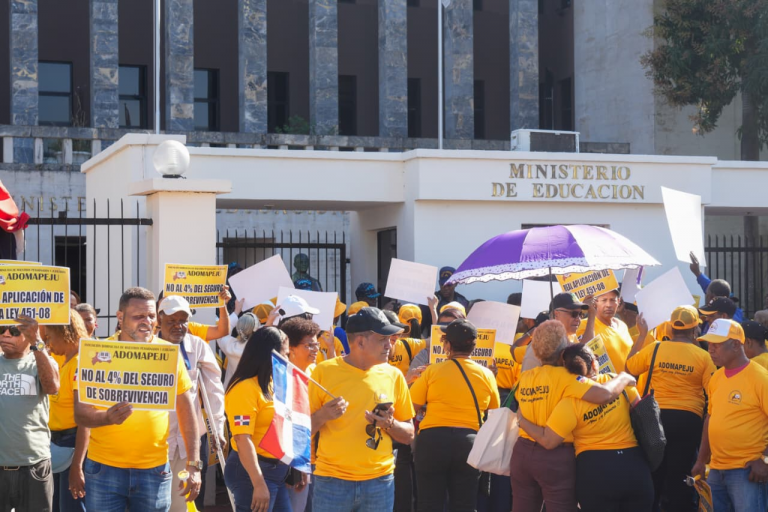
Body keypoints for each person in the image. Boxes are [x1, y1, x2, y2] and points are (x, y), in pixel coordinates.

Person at [74, 287, 201, 511]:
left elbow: (186, 411)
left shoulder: (168, 355)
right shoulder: (96, 353)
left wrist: (193, 464)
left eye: (152, 316)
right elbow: (80, 413)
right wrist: (106, 417)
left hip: (155, 470)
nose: (147, 322)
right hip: (104, 469)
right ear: (120, 317)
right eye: (139, 316)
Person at [510, 320, 636, 512]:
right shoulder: (569, 379)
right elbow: (604, 394)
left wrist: (521, 420)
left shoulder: (526, 377)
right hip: (555, 458)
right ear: (563, 353)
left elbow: (521, 406)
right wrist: (623, 377)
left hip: (522, 454)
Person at [310, 307, 415, 511]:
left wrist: (389, 424)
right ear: (360, 342)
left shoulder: (394, 376)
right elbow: (301, 431)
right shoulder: (323, 372)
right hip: (331, 482)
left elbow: (409, 435)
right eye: (382, 339)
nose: (390, 345)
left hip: (380, 482)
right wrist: (323, 415)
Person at [625, 306, 716, 512]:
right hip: (688, 420)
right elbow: (714, 391)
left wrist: (641, 336)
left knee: (654, 471)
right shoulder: (703, 357)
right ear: (695, 331)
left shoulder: (654, 348)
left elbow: (628, 368)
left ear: (671, 329)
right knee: (682, 474)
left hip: (654, 417)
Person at [410, 319, 500, 512]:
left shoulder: (432, 371)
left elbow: (412, 405)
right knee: (465, 505)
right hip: (468, 444)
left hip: (432, 442)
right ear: (474, 347)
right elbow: (493, 411)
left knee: (428, 504)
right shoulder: (487, 374)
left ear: (448, 345)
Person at [157, 295, 226, 512]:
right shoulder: (147, 347)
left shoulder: (197, 345)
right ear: (159, 320)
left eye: (183, 321)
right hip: (156, 441)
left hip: (187, 443)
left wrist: (217, 427)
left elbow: (214, 388)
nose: (178, 326)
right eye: (171, 321)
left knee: (181, 501)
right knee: (155, 502)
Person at [692, 319, 768, 510]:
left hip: (747, 470)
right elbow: (711, 419)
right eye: (709, 344)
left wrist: (765, 460)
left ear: (736, 344)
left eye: (716, 345)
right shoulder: (716, 378)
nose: (710, 349)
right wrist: (701, 460)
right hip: (717, 470)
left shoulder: (760, 378)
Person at [224, 327, 296, 512]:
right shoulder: (245, 388)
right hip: (252, 474)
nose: (287, 360)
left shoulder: (271, 383)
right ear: (267, 354)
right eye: (283, 354)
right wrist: (258, 483)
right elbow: (242, 439)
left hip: (275, 471)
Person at [0, 315, 59, 512]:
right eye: (2, 330)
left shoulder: (40, 362)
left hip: (34, 466)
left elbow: (52, 387)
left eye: (14, 331)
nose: (6, 334)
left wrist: (38, 343)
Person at [45, 310, 91, 512]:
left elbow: (85, 421)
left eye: (49, 337)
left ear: (64, 332)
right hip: (57, 445)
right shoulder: (61, 358)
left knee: (70, 507)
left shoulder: (80, 363)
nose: (48, 343)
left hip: (74, 446)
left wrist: (77, 466)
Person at [280, 317, 322, 512]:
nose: (316, 349)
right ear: (292, 348)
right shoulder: (282, 377)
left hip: (318, 460)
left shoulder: (317, 372)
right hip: (293, 461)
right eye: (309, 345)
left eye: (317, 344)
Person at [578, 289, 634, 372]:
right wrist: (591, 315)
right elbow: (582, 353)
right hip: (603, 383)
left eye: (612, 300)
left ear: (618, 302)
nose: (609, 305)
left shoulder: (622, 325)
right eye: (604, 300)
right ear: (595, 302)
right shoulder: (584, 325)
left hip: (627, 383)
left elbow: (631, 357)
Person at [689, 253, 744, 322]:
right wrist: (698, 273)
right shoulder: (731, 310)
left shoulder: (728, 321)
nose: (707, 318)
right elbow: (709, 286)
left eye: (711, 316)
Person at [216, 313, 258, 388]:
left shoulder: (230, 345)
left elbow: (221, 332)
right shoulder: (259, 348)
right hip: (252, 393)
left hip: (230, 391)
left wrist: (236, 312)